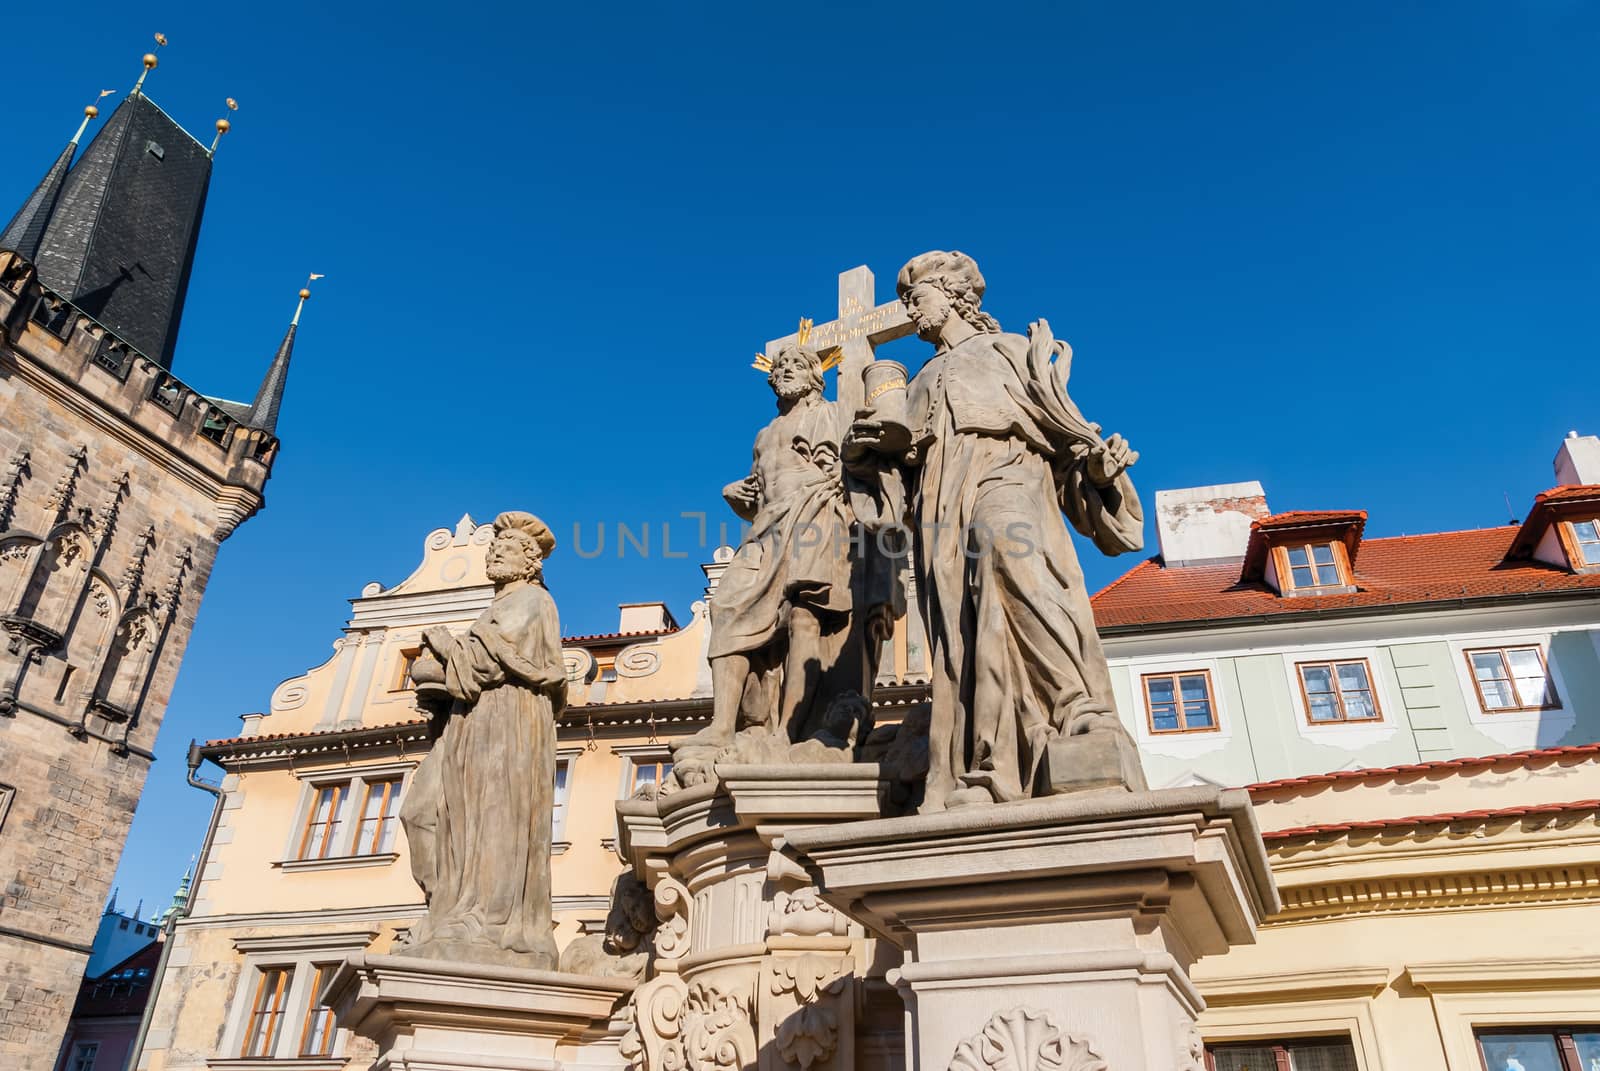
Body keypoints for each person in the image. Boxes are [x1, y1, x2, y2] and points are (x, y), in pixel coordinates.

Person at [845, 251, 1144, 811]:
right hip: (940, 503)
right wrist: (874, 455)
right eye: (907, 300)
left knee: (1014, 562)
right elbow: (895, 484)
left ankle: (1077, 709)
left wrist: (1099, 472)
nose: (911, 310)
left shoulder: (1009, 352)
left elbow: (1070, 440)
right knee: (963, 621)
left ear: (956, 294)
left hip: (1008, 476)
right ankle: (986, 759)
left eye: (919, 296)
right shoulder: (922, 378)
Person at [678, 341, 890, 753]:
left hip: (814, 518)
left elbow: (851, 470)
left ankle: (789, 731)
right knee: (725, 607)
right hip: (766, 527)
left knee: (803, 617)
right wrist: (739, 492)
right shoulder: (765, 433)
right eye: (781, 365)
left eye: (798, 363)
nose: (786, 370)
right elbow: (759, 488)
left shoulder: (829, 413)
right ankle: (724, 724)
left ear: (815, 376)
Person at [398, 511, 566, 967]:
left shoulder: (532, 601)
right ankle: (446, 908)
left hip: (506, 722)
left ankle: (483, 918)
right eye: (494, 546)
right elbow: (475, 665)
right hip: (467, 722)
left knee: (493, 817)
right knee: (421, 813)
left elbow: (490, 664)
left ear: (529, 561)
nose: (494, 552)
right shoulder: (495, 608)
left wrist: (445, 644)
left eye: (506, 548)